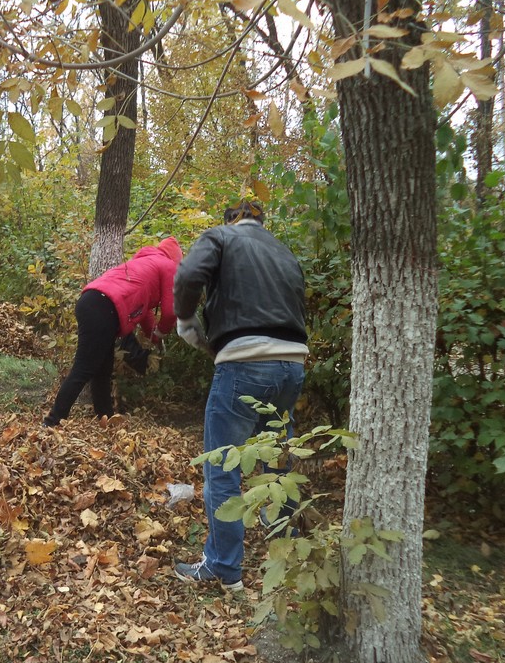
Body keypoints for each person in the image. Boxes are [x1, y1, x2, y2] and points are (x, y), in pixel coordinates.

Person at [172, 201, 308, 589]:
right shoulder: (284, 251)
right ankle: (288, 551)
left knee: (223, 466)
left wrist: (186, 321)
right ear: (262, 221)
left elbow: (188, 275)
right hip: (291, 365)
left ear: (231, 219)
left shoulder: (222, 236)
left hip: (244, 363)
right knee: (279, 462)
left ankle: (223, 567)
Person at [44, 237, 183, 427]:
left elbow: (145, 311)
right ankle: (52, 422)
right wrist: (160, 334)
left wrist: (153, 335)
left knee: (102, 369)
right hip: (104, 308)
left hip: (92, 301)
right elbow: (170, 311)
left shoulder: (143, 262)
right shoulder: (169, 266)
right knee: (84, 368)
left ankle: (105, 419)